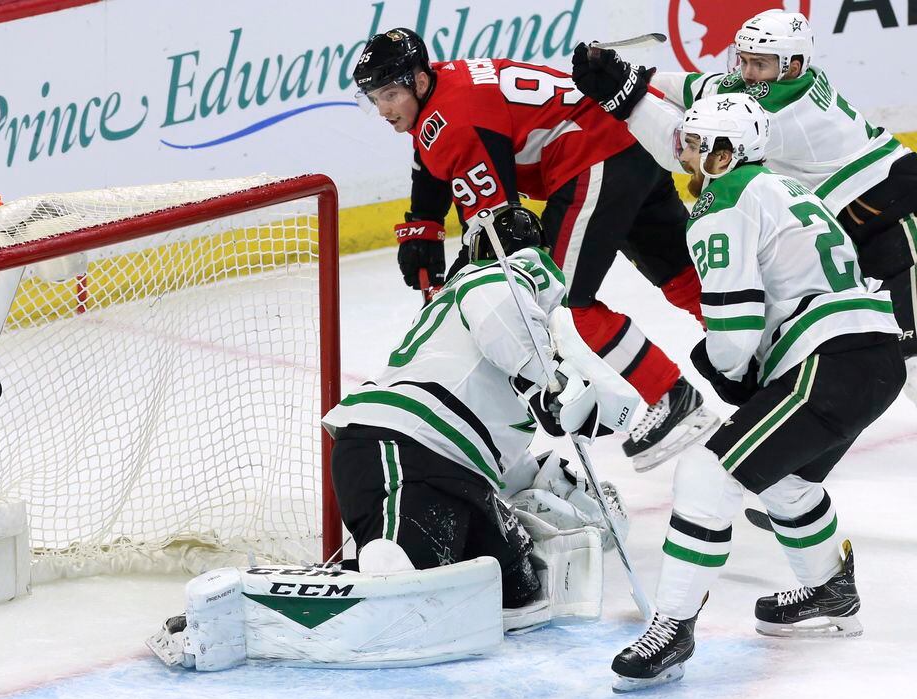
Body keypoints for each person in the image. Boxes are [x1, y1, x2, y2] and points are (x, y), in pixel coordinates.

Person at [595, 93, 904, 692]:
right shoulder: (786, 188)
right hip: (872, 353)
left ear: (726, 151)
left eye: (693, 143)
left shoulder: (724, 199)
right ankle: (828, 590)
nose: (682, 153)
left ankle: (672, 628)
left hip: (830, 358)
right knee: (784, 478)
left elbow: (734, 324)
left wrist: (724, 365)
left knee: (708, 474)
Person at [352, 27, 719, 472]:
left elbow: (500, 231)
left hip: (591, 156)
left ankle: (671, 396)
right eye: (374, 98)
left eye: (390, 94)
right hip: (628, 141)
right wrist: (422, 229)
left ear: (419, 81)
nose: (383, 109)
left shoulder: (455, 119)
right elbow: (428, 159)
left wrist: (469, 285)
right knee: (682, 274)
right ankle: (769, 362)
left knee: (558, 302)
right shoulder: (444, 88)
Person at [572, 9, 917, 403]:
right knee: (892, 349)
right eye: (745, 60)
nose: (749, 72)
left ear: (795, 65)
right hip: (873, 212)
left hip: (898, 218)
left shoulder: (781, 117)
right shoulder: (782, 85)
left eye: (760, 63)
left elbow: (687, 150)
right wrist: (636, 77)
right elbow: (705, 89)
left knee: (907, 355)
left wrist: (628, 97)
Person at [321, 206, 638, 625]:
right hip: (400, 445)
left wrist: (556, 483)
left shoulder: (528, 332)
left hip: (460, 474)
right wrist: (549, 382)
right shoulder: (491, 280)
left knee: (519, 592)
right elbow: (498, 316)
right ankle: (353, 580)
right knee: (404, 581)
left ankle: (389, 571)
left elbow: (507, 458)